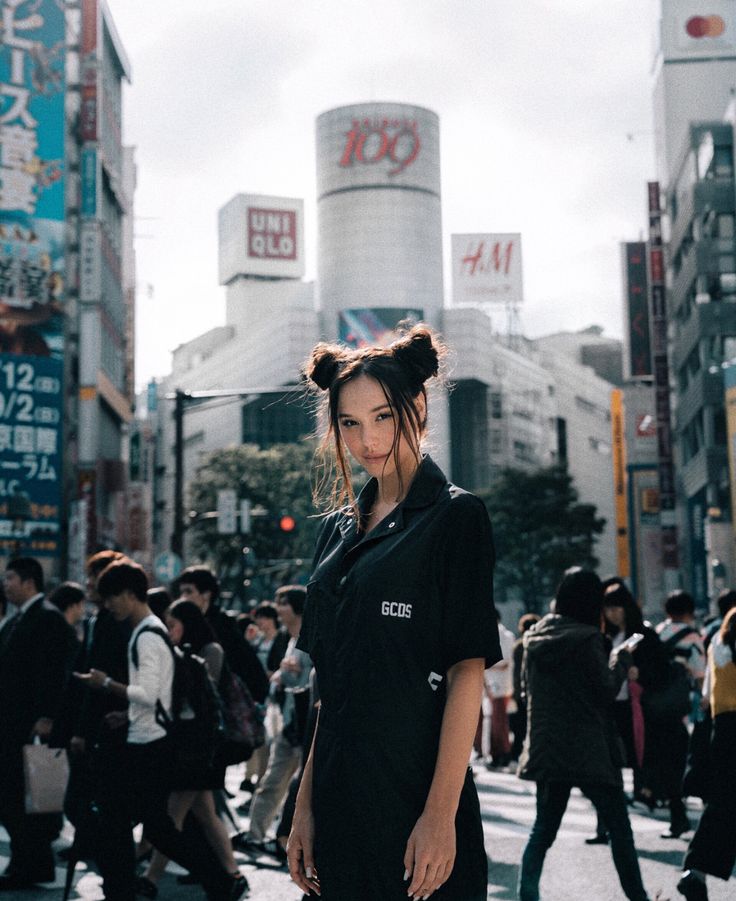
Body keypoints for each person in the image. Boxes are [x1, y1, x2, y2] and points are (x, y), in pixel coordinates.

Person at [287, 325, 500, 901]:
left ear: (418, 406)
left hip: (415, 804)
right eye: (349, 423)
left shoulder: (456, 517)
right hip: (337, 803)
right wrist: (304, 808)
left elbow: (466, 671)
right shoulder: (336, 531)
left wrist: (440, 817)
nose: (367, 439)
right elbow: (328, 687)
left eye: (383, 416)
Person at [74, 559, 242, 901]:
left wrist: (105, 683)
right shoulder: (151, 630)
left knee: (138, 824)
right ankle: (215, 880)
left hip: (148, 747)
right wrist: (127, 714)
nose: (108, 605)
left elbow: (148, 695)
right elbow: (158, 695)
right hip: (149, 741)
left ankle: (213, 880)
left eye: (111, 597)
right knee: (153, 826)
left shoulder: (147, 635)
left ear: (129, 594)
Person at [517, 568, 652, 901]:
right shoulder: (587, 638)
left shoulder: (534, 638)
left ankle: (527, 895)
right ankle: (638, 897)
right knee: (620, 830)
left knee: (542, 831)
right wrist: (620, 660)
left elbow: (525, 692)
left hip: (548, 746)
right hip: (588, 748)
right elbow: (605, 690)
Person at [137, 599, 246, 900]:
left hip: (199, 748)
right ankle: (233, 873)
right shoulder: (181, 653)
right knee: (206, 816)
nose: (169, 630)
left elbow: (197, 703)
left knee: (174, 817)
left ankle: (150, 877)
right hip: (192, 749)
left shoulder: (209, 652)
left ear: (187, 623)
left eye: (173, 624)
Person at [0, 557, 77, 889]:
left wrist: (47, 717)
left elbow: (55, 675)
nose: (5, 584)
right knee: (15, 798)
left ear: (29, 581)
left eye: (10, 578)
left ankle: (31, 863)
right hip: (13, 724)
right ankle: (29, 861)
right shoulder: (19, 619)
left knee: (23, 798)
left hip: (29, 727)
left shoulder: (46, 618)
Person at [235, 586, 312, 852]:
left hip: (305, 724)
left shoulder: (310, 637)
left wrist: (291, 673)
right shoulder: (288, 639)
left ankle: (287, 840)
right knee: (273, 780)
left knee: (299, 786)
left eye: (283, 603)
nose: (277, 608)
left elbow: (311, 682)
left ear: (297, 607)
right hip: (287, 721)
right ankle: (255, 835)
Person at [677, 607, 736, 900]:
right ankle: (695, 872)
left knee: (723, 801)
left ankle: (695, 870)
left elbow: (706, 695)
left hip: (723, 728)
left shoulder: (717, 644)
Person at [175, 566, 269, 705]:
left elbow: (246, 668)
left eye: (188, 591)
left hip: (226, 705)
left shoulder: (223, 624)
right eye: (181, 592)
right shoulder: (190, 623)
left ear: (206, 594)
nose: (183, 597)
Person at [510, 613, 540, 763]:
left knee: (519, 729)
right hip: (535, 693)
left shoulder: (519, 646)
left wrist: (515, 692)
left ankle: (516, 757)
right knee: (532, 728)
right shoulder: (538, 643)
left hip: (520, 693)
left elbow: (516, 673)